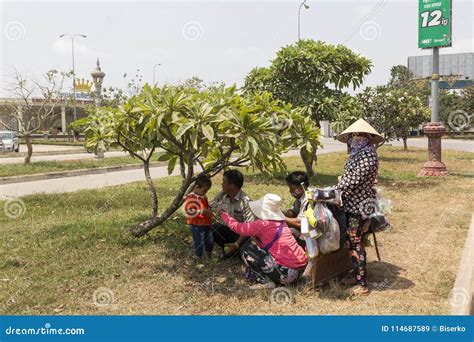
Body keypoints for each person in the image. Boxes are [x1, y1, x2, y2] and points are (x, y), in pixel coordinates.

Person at [218, 194, 308, 289]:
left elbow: (238, 228)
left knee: (246, 249)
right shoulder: (281, 223)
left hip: (285, 275)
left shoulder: (262, 224)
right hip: (299, 272)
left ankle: (264, 280)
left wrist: (223, 214)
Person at [335, 118, 382, 297]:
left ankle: (362, 284)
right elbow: (348, 177)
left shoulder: (368, 155)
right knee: (351, 242)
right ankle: (355, 275)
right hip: (350, 204)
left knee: (355, 242)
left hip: (359, 206)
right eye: (354, 135)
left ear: (368, 137)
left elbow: (354, 179)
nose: (356, 138)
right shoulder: (357, 154)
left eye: (360, 135)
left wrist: (336, 189)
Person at [211, 170, 255, 257]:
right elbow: (211, 206)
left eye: (224, 182)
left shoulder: (246, 202)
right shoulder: (222, 196)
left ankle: (235, 249)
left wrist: (236, 244)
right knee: (212, 229)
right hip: (226, 231)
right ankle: (228, 248)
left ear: (232, 185)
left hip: (240, 235)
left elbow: (249, 227)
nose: (221, 184)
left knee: (245, 252)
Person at [183, 174, 214, 261]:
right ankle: (198, 258)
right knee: (199, 242)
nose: (205, 192)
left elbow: (206, 207)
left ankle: (209, 257)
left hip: (207, 223)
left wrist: (209, 210)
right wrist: (202, 211)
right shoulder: (191, 198)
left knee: (210, 241)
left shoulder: (203, 197)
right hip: (196, 225)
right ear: (197, 187)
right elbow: (189, 211)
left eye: (207, 191)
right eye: (204, 190)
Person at [283, 171, 309, 246]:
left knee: (288, 232)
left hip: (311, 234)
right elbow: (293, 213)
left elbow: (300, 223)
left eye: (292, 189)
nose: (290, 191)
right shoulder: (299, 198)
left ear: (302, 187)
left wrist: (281, 217)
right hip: (304, 229)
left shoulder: (308, 199)